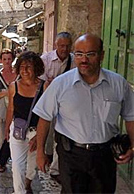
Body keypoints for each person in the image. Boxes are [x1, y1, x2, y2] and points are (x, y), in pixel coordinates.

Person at [33, 34, 134, 193]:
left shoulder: (118, 84)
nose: (84, 60)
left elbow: (130, 116)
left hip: (105, 156)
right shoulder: (61, 84)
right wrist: (40, 152)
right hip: (71, 155)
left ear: (102, 55)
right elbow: (44, 117)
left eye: (90, 54)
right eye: (79, 54)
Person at [5, 51, 46, 194]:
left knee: (32, 164)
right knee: (17, 165)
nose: (25, 70)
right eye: (22, 67)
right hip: (17, 128)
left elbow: (48, 115)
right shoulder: (13, 86)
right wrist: (7, 129)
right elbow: (11, 109)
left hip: (37, 131)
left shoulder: (45, 87)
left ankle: (28, 182)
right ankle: (19, 191)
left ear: (36, 68)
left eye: (29, 67)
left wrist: (39, 137)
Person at [40, 32, 75, 183]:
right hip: (48, 104)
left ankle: (55, 169)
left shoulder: (74, 61)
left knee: (60, 137)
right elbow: (39, 82)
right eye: (61, 46)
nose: (64, 49)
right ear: (56, 45)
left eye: (67, 46)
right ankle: (46, 156)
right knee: (46, 133)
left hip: (67, 106)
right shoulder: (46, 60)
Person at [0, 48, 18, 173]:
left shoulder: (18, 74)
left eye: (9, 59)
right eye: (4, 59)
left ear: (12, 59)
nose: (7, 62)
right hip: (3, 109)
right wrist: (4, 94)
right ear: (0, 60)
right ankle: (2, 162)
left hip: (17, 108)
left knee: (17, 136)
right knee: (3, 136)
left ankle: (16, 159)